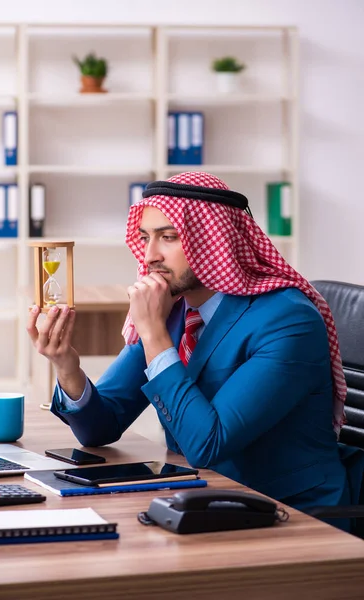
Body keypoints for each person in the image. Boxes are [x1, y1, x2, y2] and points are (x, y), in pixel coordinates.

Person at [27, 171, 354, 528]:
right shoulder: (176, 309)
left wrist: (153, 335)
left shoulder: (288, 320)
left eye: (168, 237)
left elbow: (207, 445)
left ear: (214, 242)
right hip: (208, 499)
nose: (150, 256)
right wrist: (67, 365)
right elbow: (99, 428)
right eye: (145, 238)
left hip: (293, 517)